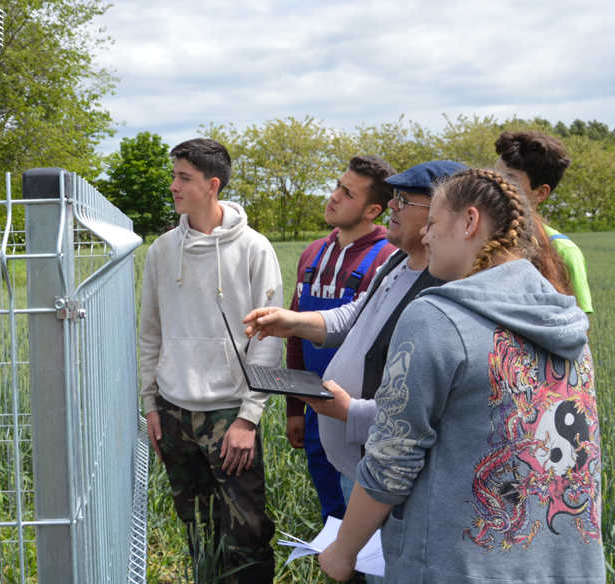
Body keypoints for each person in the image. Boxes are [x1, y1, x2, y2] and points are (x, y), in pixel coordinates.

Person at [318, 168, 603, 583]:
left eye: (432, 222)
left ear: (469, 222)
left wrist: (343, 551)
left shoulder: (435, 317)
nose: (427, 236)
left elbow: (392, 457)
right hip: (563, 568)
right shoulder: (565, 318)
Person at [244, 159, 466, 584]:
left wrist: (351, 412)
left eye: (404, 200)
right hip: (357, 462)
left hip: (388, 473)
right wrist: (294, 321)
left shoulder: (444, 288)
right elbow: (353, 317)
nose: (392, 208)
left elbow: (425, 414)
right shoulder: (398, 264)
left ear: (447, 214)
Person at [139, 138, 284, 583]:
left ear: (212, 185)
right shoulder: (162, 250)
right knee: (199, 529)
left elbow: (268, 339)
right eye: (175, 175)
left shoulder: (255, 248)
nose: (173, 186)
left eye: (184, 177)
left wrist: (248, 417)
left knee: (246, 533)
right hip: (173, 411)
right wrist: (150, 404)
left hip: (229, 414)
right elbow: (150, 333)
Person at [286, 155, 398, 524]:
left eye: (347, 193)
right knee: (331, 513)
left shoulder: (387, 260)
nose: (333, 196)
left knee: (362, 522)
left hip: (358, 418)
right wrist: (293, 410)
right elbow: (296, 337)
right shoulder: (311, 253)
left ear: (373, 210)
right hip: (315, 411)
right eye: (337, 185)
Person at [494, 130, 593, 312]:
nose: (495, 184)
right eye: (494, 174)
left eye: (509, 179)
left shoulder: (562, 250)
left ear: (541, 193)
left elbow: (578, 327)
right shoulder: (479, 237)